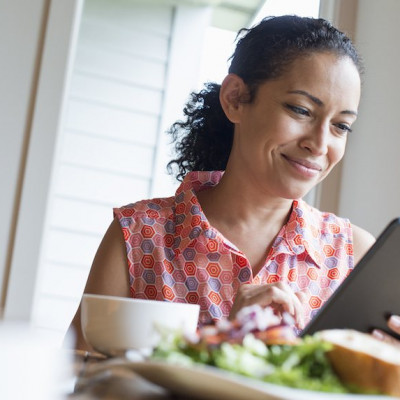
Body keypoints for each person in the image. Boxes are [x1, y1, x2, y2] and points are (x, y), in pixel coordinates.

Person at [68, 15, 397, 351]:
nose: (319, 143)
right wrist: (225, 341)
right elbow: (77, 379)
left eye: (341, 126)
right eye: (300, 110)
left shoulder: (354, 255)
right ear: (235, 98)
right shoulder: (138, 237)